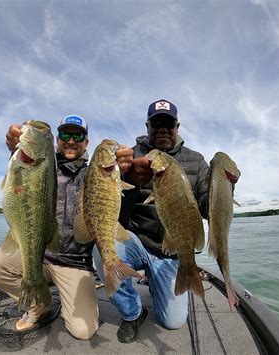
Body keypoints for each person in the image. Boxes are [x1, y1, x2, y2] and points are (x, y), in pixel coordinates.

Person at [0, 115, 134, 339]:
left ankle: (68, 299)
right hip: (40, 257)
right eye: (65, 135)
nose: (71, 141)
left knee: (83, 332)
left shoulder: (91, 173)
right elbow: (23, 177)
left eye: (78, 136)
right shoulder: (46, 166)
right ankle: (38, 306)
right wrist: (15, 147)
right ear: (57, 140)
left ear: (86, 142)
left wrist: (123, 169)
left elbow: (111, 198)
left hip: (75, 264)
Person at [94, 99, 210, 343]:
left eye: (168, 124)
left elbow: (207, 207)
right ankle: (133, 312)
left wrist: (225, 188)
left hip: (171, 251)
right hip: (136, 241)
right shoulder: (129, 157)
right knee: (104, 247)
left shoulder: (197, 161)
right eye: (156, 123)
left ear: (177, 126)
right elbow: (111, 212)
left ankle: (163, 282)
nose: (163, 129)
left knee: (173, 322)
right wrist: (129, 181)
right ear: (147, 126)